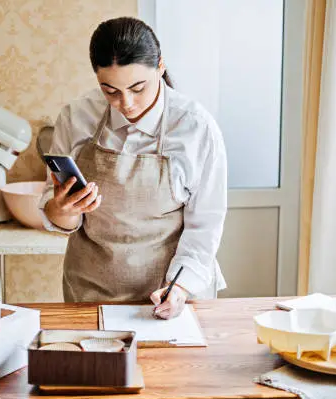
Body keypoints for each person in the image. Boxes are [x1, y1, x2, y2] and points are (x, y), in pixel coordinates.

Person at [39, 16, 227, 319]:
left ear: (160, 67)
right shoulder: (77, 117)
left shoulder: (195, 127)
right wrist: (62, 209)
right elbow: (58, 217)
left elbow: (204, 226)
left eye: (138, 87)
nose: (126, 103)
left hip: (170, 292)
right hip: (90, 292)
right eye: (110, 91)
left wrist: (179, 287)